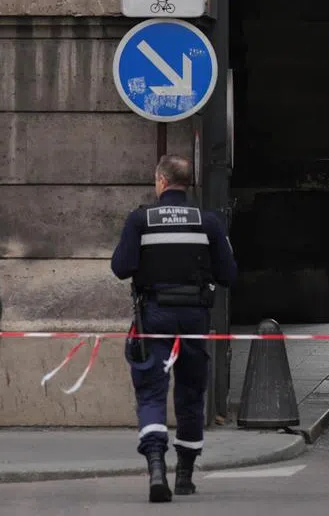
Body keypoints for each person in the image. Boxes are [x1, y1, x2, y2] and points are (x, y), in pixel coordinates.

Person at [110, 154, 237, 503]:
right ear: (187, 183)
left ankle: (155, 465)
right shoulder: (207, 222)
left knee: (151, 388)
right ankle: (184, 475)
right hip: (195, 316)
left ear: (161, 181)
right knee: (192, 390)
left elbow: (121, 267)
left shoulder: (141, 220)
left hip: (154, 315)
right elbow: (229, 275)